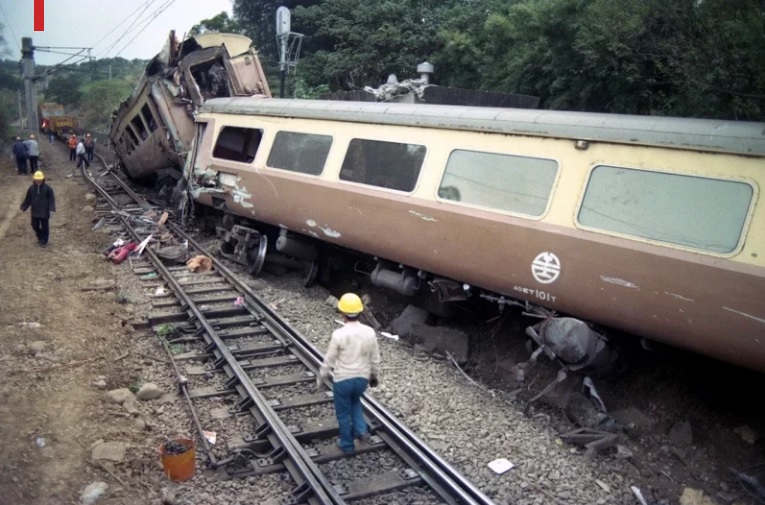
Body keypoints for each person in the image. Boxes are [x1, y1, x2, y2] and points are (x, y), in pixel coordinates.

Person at [318, 293, 381, 454]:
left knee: (343, 413)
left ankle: (346, 444)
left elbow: (329, 360)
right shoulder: (369, 332)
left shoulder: (339, 334)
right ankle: (362, 431)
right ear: (360, 313)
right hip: (361, 379)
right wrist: (374, 376)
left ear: (342, 313)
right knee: (355, 402)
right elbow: (375, 358)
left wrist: (321, 377)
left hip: (343, 380)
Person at [20, 171, 56, 247]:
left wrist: (52, 209)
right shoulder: (31, 189)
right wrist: (24, 207)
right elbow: (28, 199)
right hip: (35, 211)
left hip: (44, 212)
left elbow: (51, 199)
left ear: (43, 179)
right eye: (37, 179)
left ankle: (44, 241)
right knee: (34, 225)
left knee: (45, 227)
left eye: (40, 179)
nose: (38, 181)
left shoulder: (48, 189)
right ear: (34, 179)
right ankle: (40, 237)